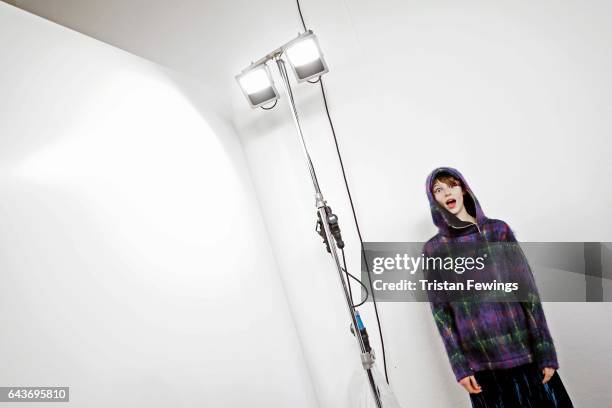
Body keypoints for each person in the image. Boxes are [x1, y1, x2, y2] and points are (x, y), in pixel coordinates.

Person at [421, 167, 574, 407]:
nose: (446, 193)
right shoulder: (434, 250)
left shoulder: (498, 232)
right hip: (482, 367)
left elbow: (528, 293)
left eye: (451, 185)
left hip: (525, 355)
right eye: (438, 190)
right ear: (434, 200)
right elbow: (441, 313)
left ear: (463, 189)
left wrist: (545, 351)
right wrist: (460, 367)